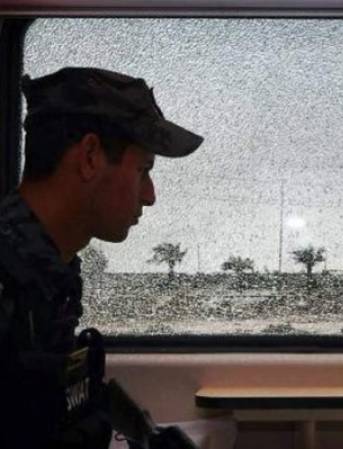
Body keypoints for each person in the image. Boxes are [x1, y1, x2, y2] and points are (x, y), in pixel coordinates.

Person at [0, 67, 203, 449]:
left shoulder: (51, 273)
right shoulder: (11, 278)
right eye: (143, 170)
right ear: (91, 156)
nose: (150, 195)